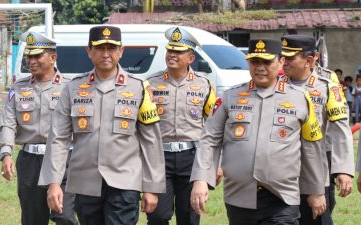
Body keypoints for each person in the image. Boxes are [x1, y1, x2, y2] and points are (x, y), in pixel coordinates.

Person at [38, 25, 166, 225]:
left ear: (121, 51)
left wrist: (152, 187)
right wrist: (54, 183)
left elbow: (151, 141)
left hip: (125, 181)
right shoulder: (72, 88)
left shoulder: (139, 87)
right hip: (85, 182)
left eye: (111, 48)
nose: (106, 54)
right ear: (88, 51)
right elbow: (58, 139)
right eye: (99, 48)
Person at [190, 38, 326, 225]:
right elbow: (209, 139)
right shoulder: (231, 97)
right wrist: (201, 179)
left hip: (282, 197)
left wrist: (316, 190)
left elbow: (312, 148)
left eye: (267, 62)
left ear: (281, 62)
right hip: (239, 196)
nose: (260, 67)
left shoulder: (300, 98)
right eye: (254, 62)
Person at [0, 31, 77, 225]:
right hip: (30, 161)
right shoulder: (18, 88)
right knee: (33, 219)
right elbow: (8, 123)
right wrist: (6, 154)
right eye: (29, 55)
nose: (31, 61)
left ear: (53, 57)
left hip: (64, 160)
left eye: (37, 55)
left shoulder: (71, 88)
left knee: (65, 216)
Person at [146, 27, 218, 225]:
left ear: (191, 58)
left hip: (191, 158)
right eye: (170, 51)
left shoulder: (206, 86)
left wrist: (215, 164)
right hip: (159, 157)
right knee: (158, 215)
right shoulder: (150, 84)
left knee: (189, 216)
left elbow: (214, 128)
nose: (172, 55)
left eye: (178, 52)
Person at [281, 34, 354, 225]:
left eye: (290, 57)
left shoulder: (328, 87)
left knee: (318, 217)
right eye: (283, 57)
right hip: (282, 167)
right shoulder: (276, 86)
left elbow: (340, 130)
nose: (284, 61)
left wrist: (343, 170)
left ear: (310, 60)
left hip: (316, 165)